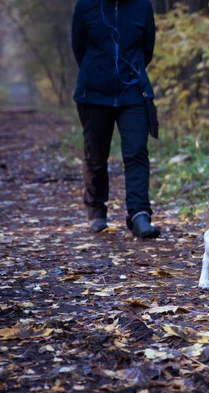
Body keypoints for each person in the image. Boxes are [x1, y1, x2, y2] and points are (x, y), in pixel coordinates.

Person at [71, 0, 160, 238]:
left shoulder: (142, 7)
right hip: (93, 94)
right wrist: (99, 73)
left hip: (133, 91)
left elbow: (147, 49)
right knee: (96, 156)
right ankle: (96, 212)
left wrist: (127, 72)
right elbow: (79, 48)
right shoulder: (86, 6)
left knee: (136, 153)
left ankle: (139, 215)